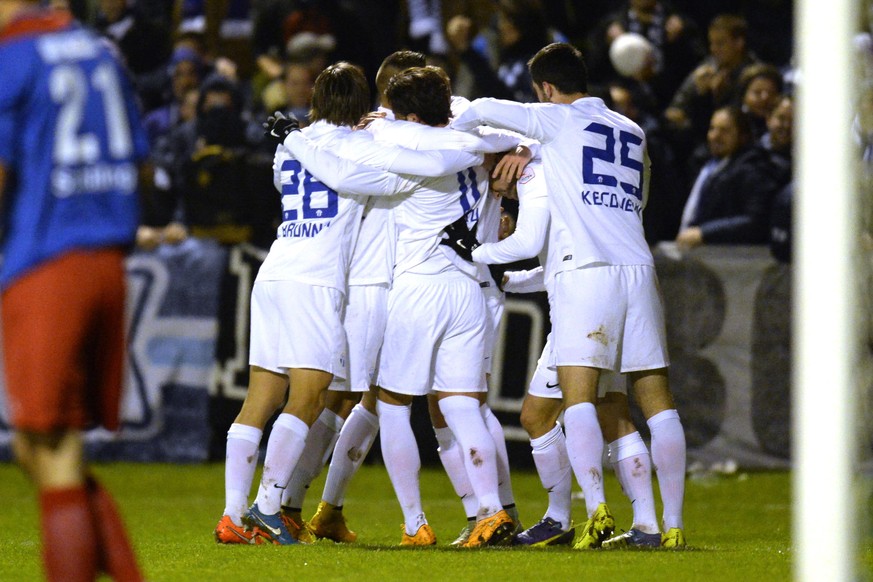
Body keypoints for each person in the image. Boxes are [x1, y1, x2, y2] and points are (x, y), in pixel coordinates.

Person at [213, 61, 485, 545]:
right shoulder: (370, 147)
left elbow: (297, 176)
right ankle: (274, 505)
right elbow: (400, 170)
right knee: (319, 396)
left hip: (274, 269)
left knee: (264, 399)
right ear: (364, 105)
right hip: (329, 282)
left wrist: (297, 136)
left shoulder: (289, 151)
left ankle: (236, 514)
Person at [451, 42, 687, 549]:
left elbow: (480, 111)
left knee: (582, 399)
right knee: (652, 401)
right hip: (637, 270)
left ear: (545, 89)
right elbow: (630, 204)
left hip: (587, 276)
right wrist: (529, 148)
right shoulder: (633, 130)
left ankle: (595, 510)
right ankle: (665, 525)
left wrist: (501, 137)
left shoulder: (553, 122)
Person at [280, 66, 522, 547]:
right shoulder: (470, 142)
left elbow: (346, 167)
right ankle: (492, 512)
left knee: (389, 406)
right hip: (467, 290)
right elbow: (494, 134)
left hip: (418, 286)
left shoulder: (405, 149)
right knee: (462, 406)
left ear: (407, 113)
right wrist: (519, 146)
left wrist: (297, 139)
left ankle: (415, 523)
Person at [0, 2, 149, 579]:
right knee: (39, 448)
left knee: (52, 449)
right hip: (103, 261)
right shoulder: (98, 51)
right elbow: (137, 159)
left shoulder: (13, 58)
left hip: (47, 262)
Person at [675, 105, 780, 249]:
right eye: (712, 129)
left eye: (724, 131)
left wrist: (704, 233)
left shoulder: (754, 169)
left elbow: (756, 221)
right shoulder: (707, 165)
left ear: (742, 136)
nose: (715, 136)